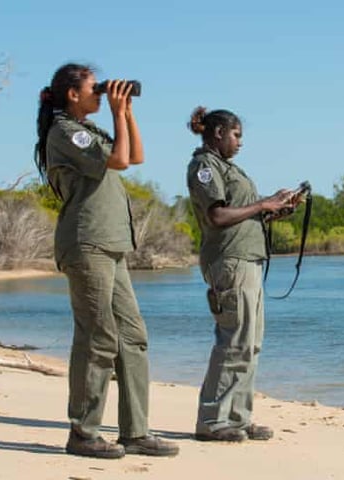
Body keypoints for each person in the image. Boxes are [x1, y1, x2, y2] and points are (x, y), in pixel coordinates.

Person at [34, 63, 178, 459]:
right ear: (72, 94)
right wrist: (116, 111)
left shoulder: (91, 130)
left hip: (111, 245)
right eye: (94, 88)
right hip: (87, 243)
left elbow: (136, 156)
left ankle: (136, 431)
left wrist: (126, 111)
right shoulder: (65, 131)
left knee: (133, 337)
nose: (101, 92)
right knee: (97, 336)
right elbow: (117, 162)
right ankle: (83, 432)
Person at [185, 106, 303, 442]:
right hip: (229, 261)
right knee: (233, 341)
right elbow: (218, 216)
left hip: (246, 260)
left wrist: (275, 209)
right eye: (236, 135)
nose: (240, 143)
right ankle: (212, 421)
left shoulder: (228, 168)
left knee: (250, 344)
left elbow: (242, 216)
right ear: (219, 132)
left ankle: (237, 418)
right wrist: (263, 204)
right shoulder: (204, 166)